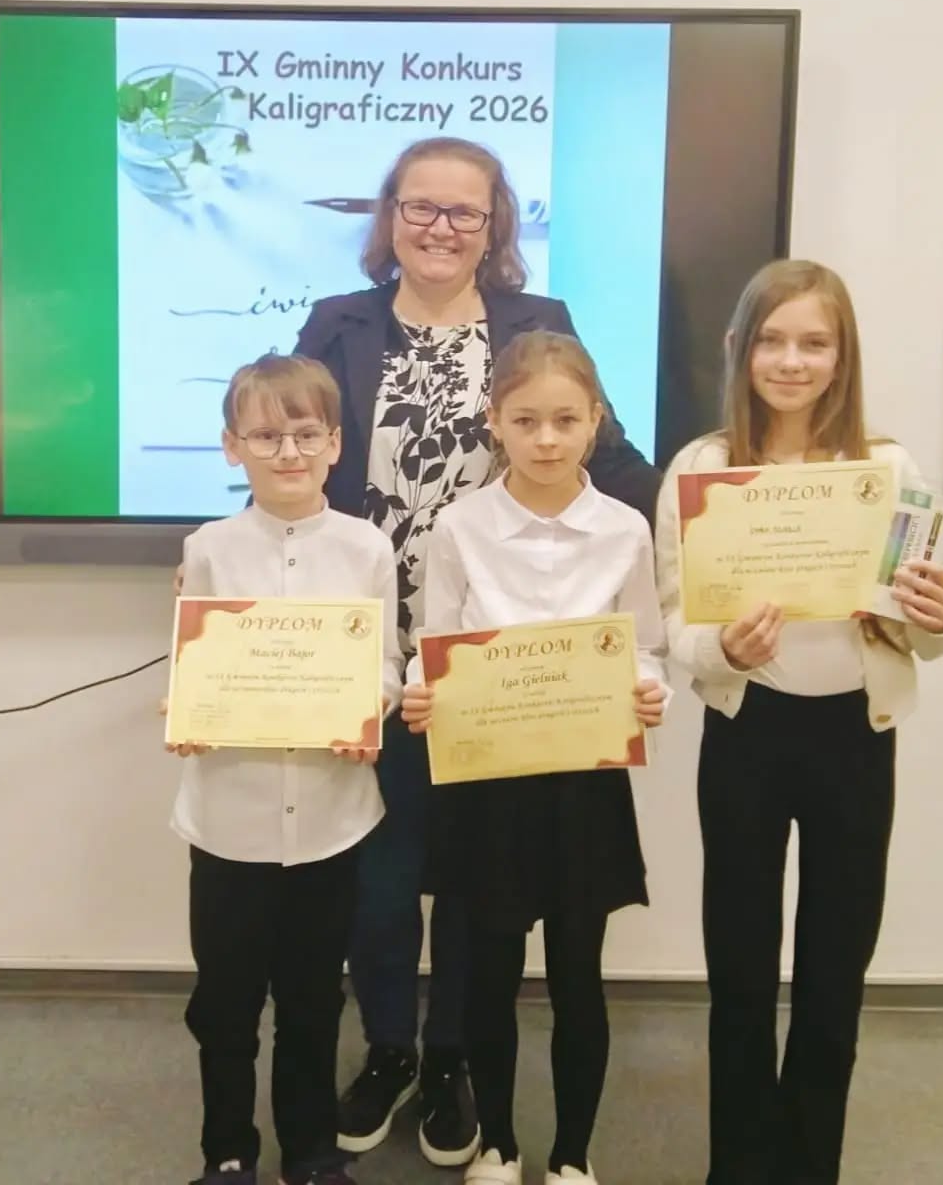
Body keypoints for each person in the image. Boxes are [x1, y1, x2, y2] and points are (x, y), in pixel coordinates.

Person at [293, 136, 660, 1165]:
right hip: (375, 655)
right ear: (390, 215)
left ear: (495, 224)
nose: (441, 227)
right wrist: (231, 570)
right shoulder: (337, 324)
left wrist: (719, 531)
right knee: (379, 878)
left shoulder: (539, 326)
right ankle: (391, 1049)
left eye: (465, 210)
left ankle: (453, 1055)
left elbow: (615, 462)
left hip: (503, 677)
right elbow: (292, 451)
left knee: (467, 884)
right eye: (421, 206)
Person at [655, 261, 943, 1185]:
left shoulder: (887, 470)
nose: (792, 361)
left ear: (842, 357)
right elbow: (675, 621)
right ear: (739, 349)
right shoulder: (701, 468)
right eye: (773, 340)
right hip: (747, 733)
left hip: (855, 740)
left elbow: (926, 627)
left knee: (835, 971)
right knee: (740, 968)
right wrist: (725, 649)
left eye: (814, 343)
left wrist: (940, 618)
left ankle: (808, 1165)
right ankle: (739, 1167)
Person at [401, 330, 668, 1185]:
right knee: (490, 971)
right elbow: (435, 641)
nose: (546, 439)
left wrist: (647, 689)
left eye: (565, 420)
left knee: (580, 975)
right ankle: (499, 1144)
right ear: (495, 422)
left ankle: (573, 1154)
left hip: (584, 781)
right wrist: (421, 692)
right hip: (488, 780)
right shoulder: (460, 526)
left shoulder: (625, 529)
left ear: (595, 421)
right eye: (525, 421)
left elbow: (645, 645)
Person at [168, 354, 402, 1185]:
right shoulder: (209, 549)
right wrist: (190, 712)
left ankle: (310, 1150)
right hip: (228, 821)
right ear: (232, 447)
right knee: (225, 1004)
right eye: (266, 436)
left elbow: (386, 663)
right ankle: (228, 1149)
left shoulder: (367, 548)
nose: (289, 452)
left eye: (306, 433)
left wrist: (370, 710)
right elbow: (194, 665)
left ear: (336, 443)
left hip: (333, 823)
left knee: (312, 1000)